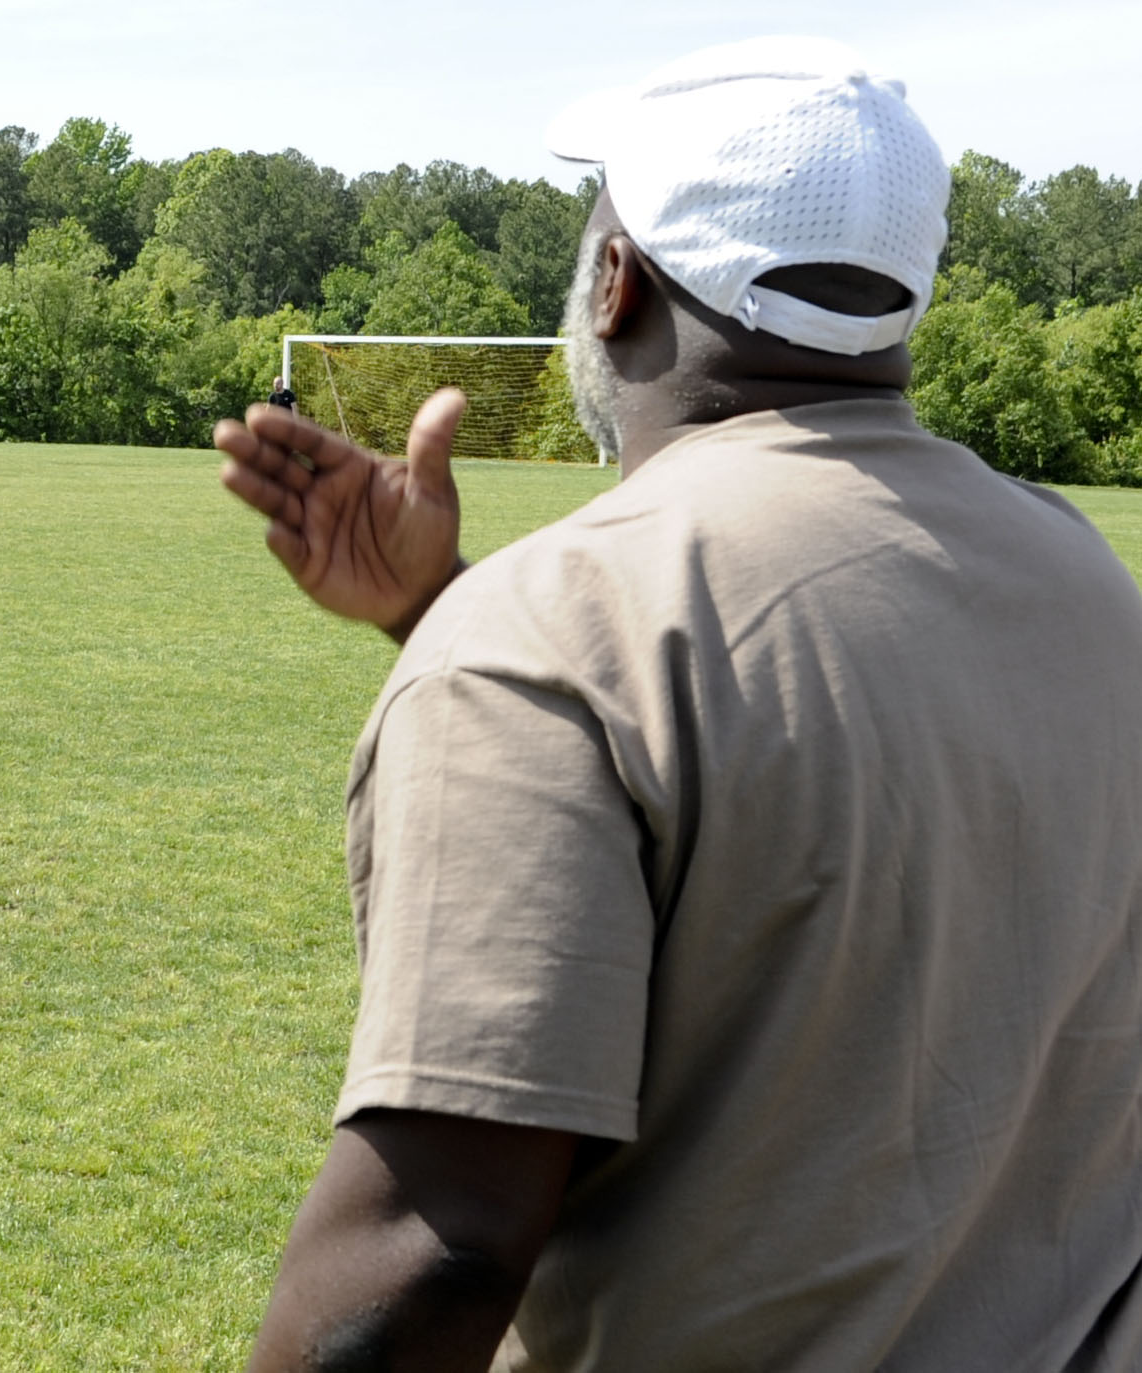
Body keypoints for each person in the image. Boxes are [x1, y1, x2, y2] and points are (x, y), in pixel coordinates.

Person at [215, 37, 1142, 1373]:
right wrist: (445, 611)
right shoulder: (1080, 578)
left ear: (612, 282)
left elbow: (438, 1246)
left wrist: (484, 637)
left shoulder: (554, 631)